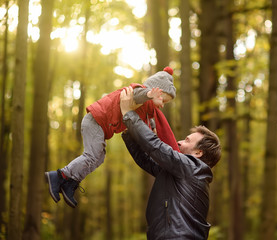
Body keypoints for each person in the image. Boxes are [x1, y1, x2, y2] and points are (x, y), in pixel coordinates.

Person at [45, 67, 178, 208]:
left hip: (99, 126)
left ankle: (70, 182)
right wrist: (149, 94)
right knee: (92, 155)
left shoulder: (147, 112)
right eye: (163, 100)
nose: (163, 105)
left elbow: (146, 126)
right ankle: (59, 176)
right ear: (157, 91)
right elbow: (138, 95)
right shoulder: (139, 92)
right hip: (95, 121)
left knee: (98, 157)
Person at [120, 87, 221, 239]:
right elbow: (146, 160)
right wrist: (130, 133)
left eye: (187, 140)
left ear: (198, 153)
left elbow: (156, 147)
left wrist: (129, 114)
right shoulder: (180, 172)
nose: (179, 142)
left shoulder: (193, 168)